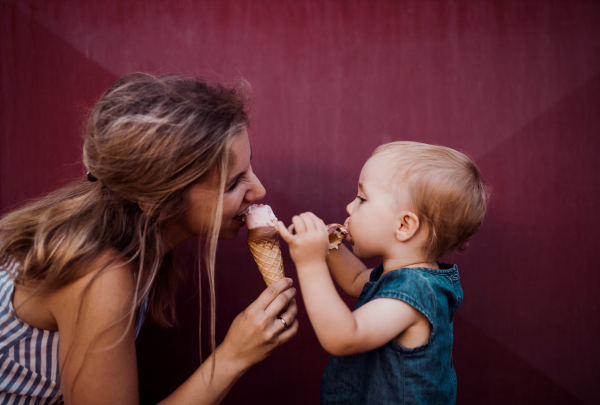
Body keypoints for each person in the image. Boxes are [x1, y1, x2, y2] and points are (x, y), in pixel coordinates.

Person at [0, 73, 298, 404]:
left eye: (249, 164)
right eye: (232, 184)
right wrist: (233, 356)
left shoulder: (136, 240)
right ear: (160, 202)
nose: (259, 190)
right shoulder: (99, 272)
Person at [278, 141, 489, 404]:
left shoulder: (415, 291)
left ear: (404, 225)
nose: (349, 208)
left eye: (362, 199)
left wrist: (311, 264)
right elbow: (356, 280)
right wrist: (327, 247)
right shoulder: (405, 277)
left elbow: (343, 337)